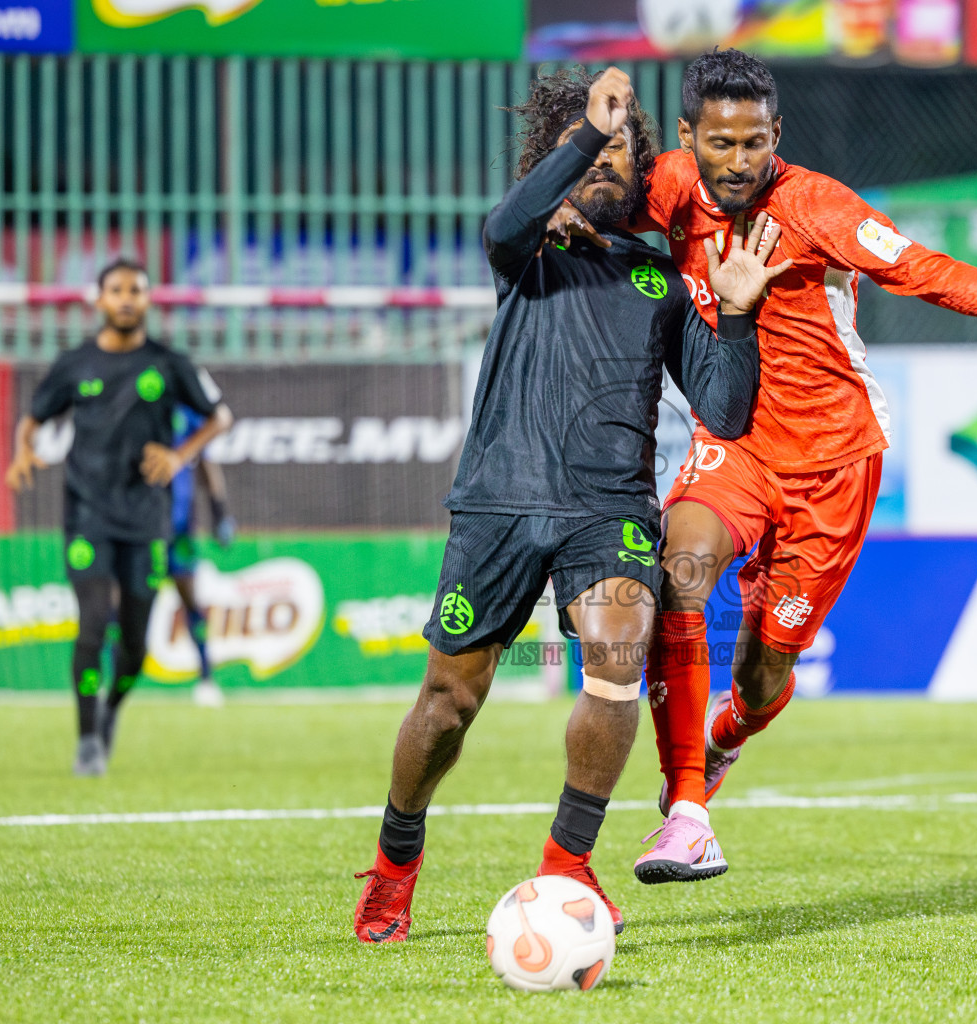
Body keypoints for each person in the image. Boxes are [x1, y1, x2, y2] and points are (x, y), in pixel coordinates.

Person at [551, 48, 977, 882]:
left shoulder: (815, 205)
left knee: (763, 673)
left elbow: (925, 272)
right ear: (690, 135)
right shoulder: (666, 185)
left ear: (778, 134)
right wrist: (565, 212)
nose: (739, 162)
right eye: (722, 143)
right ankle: (688, 810)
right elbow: (592, 201)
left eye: (756, 143)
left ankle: (726, 738)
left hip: (836, 462)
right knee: (680, 571)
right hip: (735, 445)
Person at [349, 66, 787, 944]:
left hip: (608, 508)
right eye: (583, 146)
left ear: (642, 166)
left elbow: (727, 408)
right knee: (446, 703)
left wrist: (736, 315)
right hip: (498, 502)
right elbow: (501, 220)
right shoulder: (525, 252)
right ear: (550, 158)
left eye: (621, 146)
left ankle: (567, 864)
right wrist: (588, 127)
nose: (602, 159)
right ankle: (396, 862)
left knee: (620, 650)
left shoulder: (659, 279)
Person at [6, 258, 232, 777]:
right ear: (100, 300)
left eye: (137, 289)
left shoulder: (170, 363)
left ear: (148, 300)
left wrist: (179, 456)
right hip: (87, 515)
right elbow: (33, 417)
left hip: (147, 521)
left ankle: (110, 710)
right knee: (92, 623)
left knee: (134, 645)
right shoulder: (74, 363)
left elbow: (220, 417)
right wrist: (23, 452)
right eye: (117, 289)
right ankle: (87, 739)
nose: (127, 298)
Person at [168, 404, 237, 708]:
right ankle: (108, 679)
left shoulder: (185, 408)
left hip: (180, 527)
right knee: (120, 602)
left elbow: (206, 460)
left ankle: (207, 677)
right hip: (138, 527)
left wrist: (219, 512)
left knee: (190, 598)